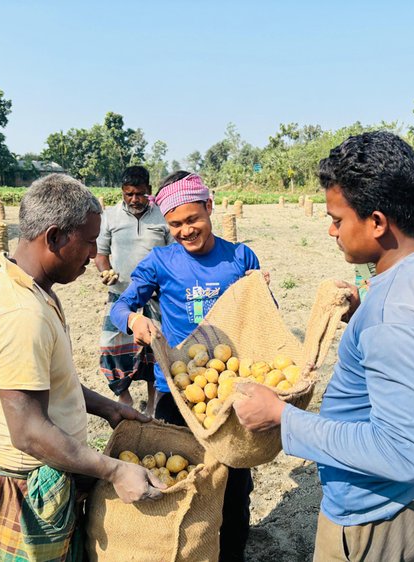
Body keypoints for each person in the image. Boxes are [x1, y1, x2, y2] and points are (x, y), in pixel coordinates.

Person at [233, 131, 414, 562]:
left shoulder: (395, 315)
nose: (331, 229)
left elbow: (399, 453)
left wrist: (281, 417)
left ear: (377, 222)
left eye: (337, 218)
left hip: (377, 518)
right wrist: (364, 309)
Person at [0, 174, 164, 561]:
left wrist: (107, 407)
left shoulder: (34, 290)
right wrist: (114, 471)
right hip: (21, 493)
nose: (94, 254)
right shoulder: (21, 313)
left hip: (45, 475)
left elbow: (46, 384)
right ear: (54, 237)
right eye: (89, 241)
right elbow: (30, 432)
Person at [109, 171, 264, 562]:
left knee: (233, 486)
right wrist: (134, 321)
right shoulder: (161, 261)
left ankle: (230, 553)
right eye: (175, 224)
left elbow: (262, 315)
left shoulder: (240, 257)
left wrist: (260, 289)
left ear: (210, 208)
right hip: (178, 393)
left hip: (228, 394)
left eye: (193, 219)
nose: (185, 230)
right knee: (179, 482)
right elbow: (119, 306)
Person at [95, 165, 172, 415]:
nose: (134, 199)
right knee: (111, 346)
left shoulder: (163, 217)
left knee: (154, 349)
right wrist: (105, 271)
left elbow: (173, 254)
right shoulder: (110, 216)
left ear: (149, 190)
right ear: (122, 192)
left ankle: (151, 403)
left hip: (155, 296)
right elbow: (101, 254)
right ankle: (124, 397)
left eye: (139, 194)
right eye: (129, 194)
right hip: (121, 295)